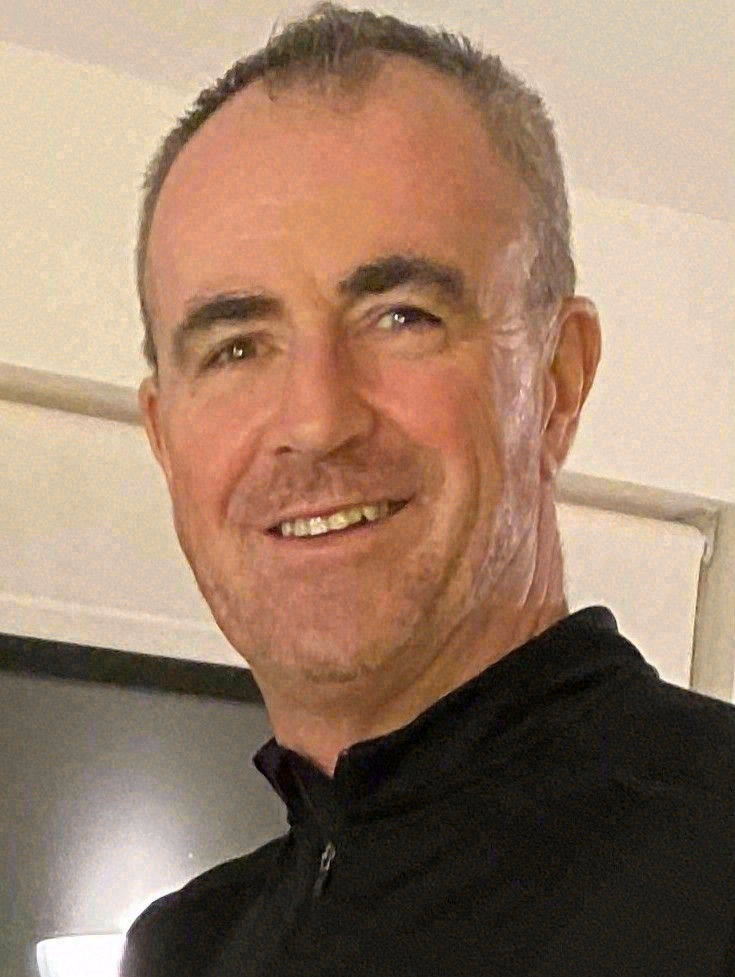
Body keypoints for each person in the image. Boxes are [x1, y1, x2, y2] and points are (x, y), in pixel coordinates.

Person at [120, 4, 735, 975]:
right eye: (236, 347)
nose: (316, 417)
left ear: (558, 380)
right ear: (163, 435)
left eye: (401, 316)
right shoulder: (185, 945)